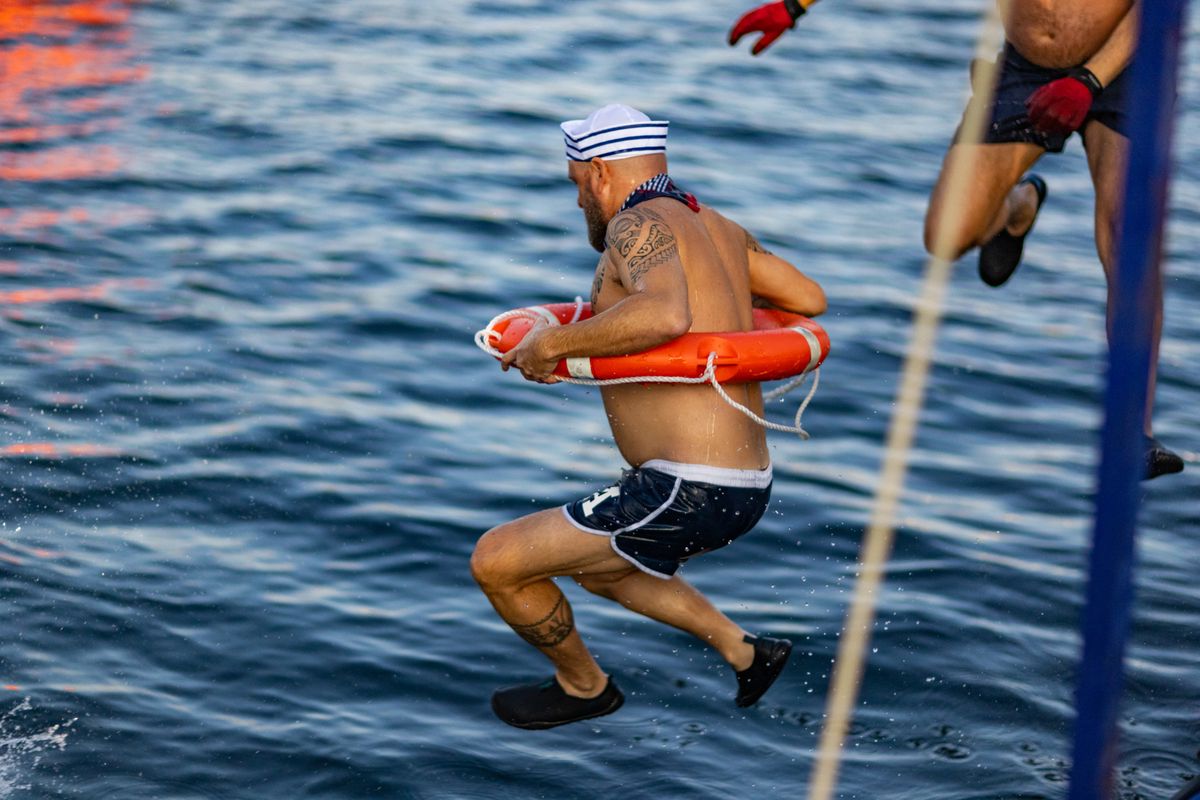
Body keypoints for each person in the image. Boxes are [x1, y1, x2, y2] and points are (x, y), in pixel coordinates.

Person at [471, 103, 828, 729]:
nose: (577, 199)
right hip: (743, 483)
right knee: (601, 571)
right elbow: (808, 298)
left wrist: (549, 344)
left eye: (575, 183)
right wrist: (722, 284)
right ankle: (747, 653)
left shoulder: (633, 227)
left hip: (686, 486)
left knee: (497, 561)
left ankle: (584, 687)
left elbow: (665, 317)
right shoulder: (713, 224)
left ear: (599, 172)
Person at [729, 0, 1183, 479]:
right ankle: (1018, 207)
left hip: (1130, 70)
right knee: (947, 236)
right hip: (1028, 68)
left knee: (1127, 244)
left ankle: (1136, 432)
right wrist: (793, 6)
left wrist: (1088, 81)